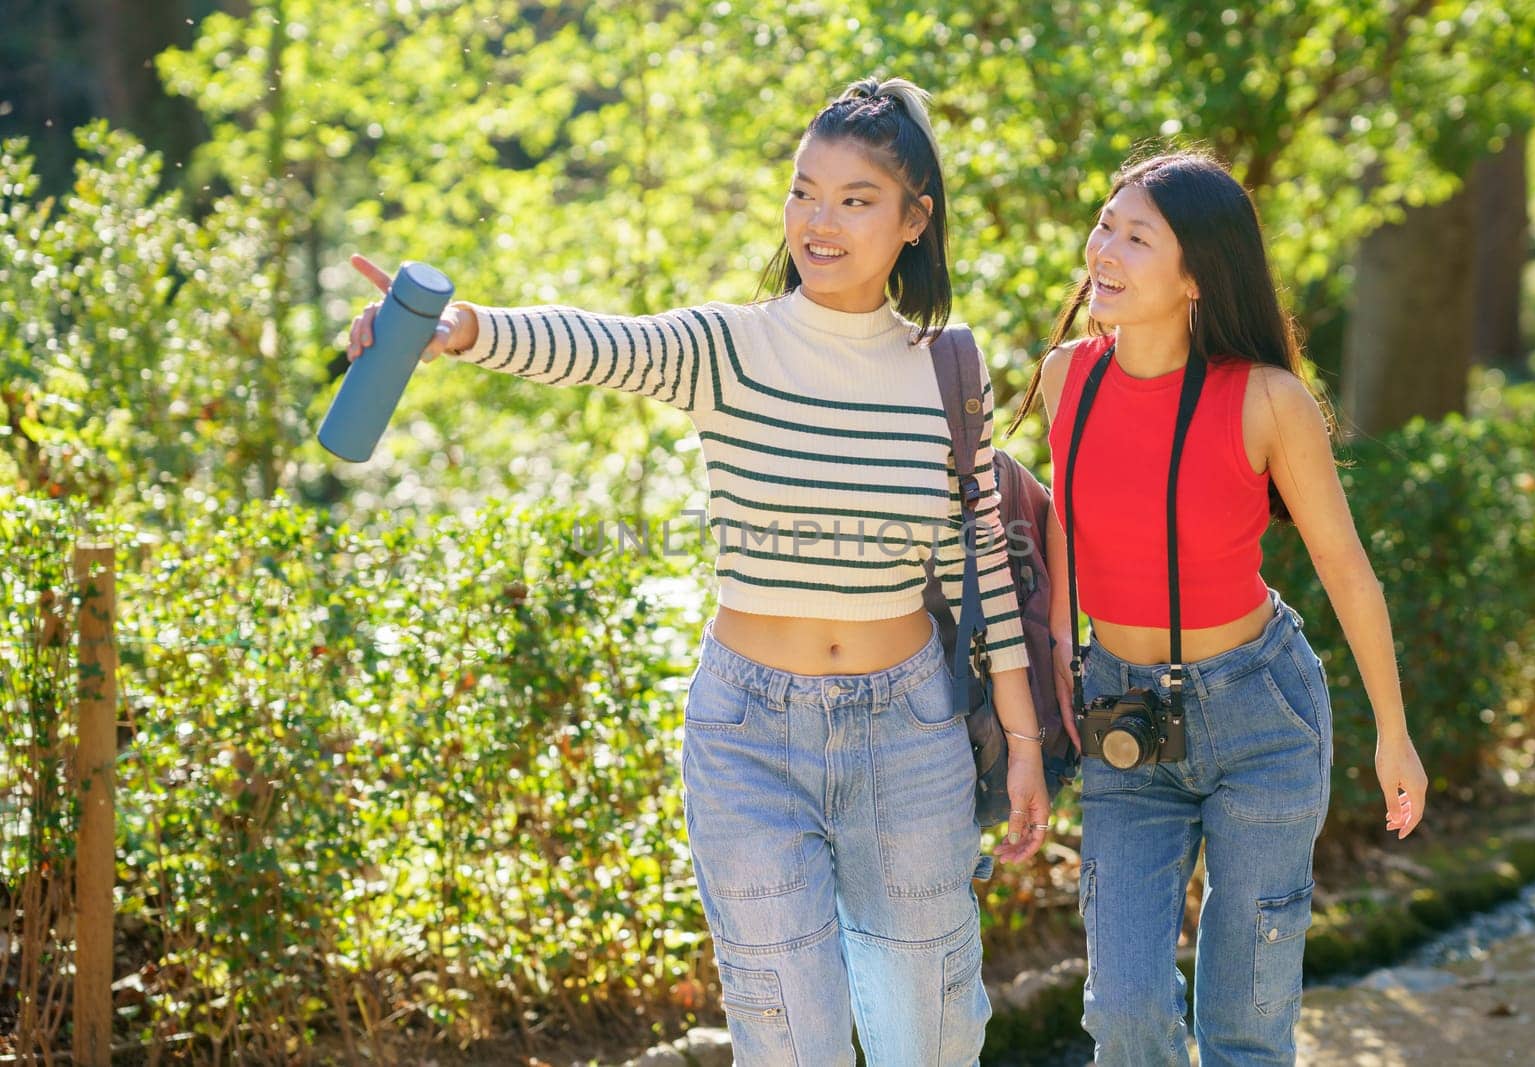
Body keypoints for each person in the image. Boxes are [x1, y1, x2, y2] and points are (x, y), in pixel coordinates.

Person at [344, 78, 1050, 1066]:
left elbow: (983, 558)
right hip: (749, 734)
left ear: (913, 219)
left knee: (929, 1033)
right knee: (786, 1035)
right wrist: (456, 327)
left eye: (854, 198)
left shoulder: (947, 368)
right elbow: (598, 344)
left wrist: (1021, 735)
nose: (819, 219)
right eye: (804, 191)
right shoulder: (731, 346)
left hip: (908, 734)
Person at [1008, 150, 1429, 1065]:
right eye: (1106, 224)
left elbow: (1348, 570)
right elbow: (1068, 543)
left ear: (1197, 274)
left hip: (1258, 718)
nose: (1103, 251)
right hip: (1123, 718)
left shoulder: (1268, 400)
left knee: (1244, 1027)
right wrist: (1051, 696)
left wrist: (1392, 733)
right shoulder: (1064, 378)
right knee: (1124, 1015)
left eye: (1136, 236)